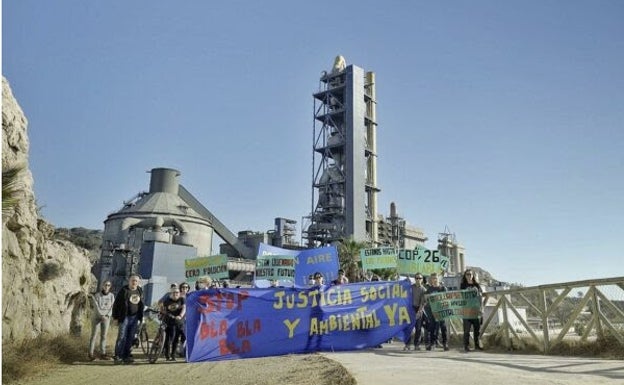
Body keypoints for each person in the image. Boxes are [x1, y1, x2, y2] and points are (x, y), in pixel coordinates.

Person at [112, 275, 144, 364]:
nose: (134, 282)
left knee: (130, 337)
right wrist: (115, 317)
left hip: (135, 318)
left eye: (136, 281)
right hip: (124, 317)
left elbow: (141, 304)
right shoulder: (124, 290)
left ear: (138, 283)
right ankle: (118, 356)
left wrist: (141, 317)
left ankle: (126, 356)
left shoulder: (140, 291)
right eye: (133, 280)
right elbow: (116, 305)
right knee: (122, 336)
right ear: (129, 281)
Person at [88, 280, 114, 360]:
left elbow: (112, 307)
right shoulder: (97, 295)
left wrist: (107, 315)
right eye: (105, 285)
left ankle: (103, 353)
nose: (107, 287)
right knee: (94, 335)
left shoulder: (111, 296)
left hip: (106, 318)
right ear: (102, 286)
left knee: (104, 336)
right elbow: (96, 306)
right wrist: (101, 315)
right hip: (97, 317)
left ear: (110, 287)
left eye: (108, 285)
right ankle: (90, 354)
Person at [460, 269, 484, 352]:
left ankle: (477, 345)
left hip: (476, 310)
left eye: (470, 274)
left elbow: (480, 297)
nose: (469, 276)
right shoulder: (462, 285)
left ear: (473, 275)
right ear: (465, 276)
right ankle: (466, 346)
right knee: (466, 330)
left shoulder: (477, 285)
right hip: (466, 310)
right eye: (467, 274)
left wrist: (481, 308)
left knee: (477, 329)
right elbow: (459, 296)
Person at [160, 285, 186, 361]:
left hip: (178, 321)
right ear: (171, 293)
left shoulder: (182, 299)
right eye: (174, 292)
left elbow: (184, 308)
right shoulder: (167, 300)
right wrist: (165, 313)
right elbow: (163, 309)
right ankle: (167, 355)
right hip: (169, 322)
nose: (175, 294)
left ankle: (173, 355)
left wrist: (180, 315)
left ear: (179, 293)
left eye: (177, 292)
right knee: (168, 339)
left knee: (176, 339)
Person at [424, 272, 448, 351]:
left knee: (443, 327)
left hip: (441, 311)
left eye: (436, 278)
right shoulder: (429, 289)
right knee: (432, 327)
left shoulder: (442, 288)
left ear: (438, 279)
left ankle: (445, 343)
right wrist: (427, 297)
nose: (434, 280)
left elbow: (448, 298)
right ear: (431, 280)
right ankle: (432, 343)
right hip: (432, 311)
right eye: (433, 278)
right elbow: (426, 299)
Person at [404, 273, 427, 351]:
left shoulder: (423, 289)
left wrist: (419, 311)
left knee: (418, 328)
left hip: (419, 308)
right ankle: (407, 345)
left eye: (420, 278)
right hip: (410, 308)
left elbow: (423, 302)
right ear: (414, 279)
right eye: (416, 278)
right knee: (409, 328)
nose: (418, 280)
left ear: (422, 279)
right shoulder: (411, 287)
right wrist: (406, 280)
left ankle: (417, 345)